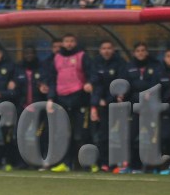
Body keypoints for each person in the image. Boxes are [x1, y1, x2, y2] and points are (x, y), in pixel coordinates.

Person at [45, 33, 93, 172]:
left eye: (72, 41)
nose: (69, 44)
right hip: (62, 100)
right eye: (66, 41)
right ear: (63, 43)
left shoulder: (82, 56)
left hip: (79, 99)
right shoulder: (57, 58)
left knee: (81, 134)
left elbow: (92, 74)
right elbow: (52, 79)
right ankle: (65, 163)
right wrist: (50, 98)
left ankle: (84, 164)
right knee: (63, 134)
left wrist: (89, 83)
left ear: (75, 42)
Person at [121, 41, 163, 173]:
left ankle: (154, 167)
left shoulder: (155, 66)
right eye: (138, 51)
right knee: (132, 137)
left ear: (147, 52)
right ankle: (133, 166)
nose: (140, 53)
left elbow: (158, 85)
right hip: (135, 108)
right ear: (134, 53)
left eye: (143, 50)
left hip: (151, 108)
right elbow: (125, 85)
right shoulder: (129, 67)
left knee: (152, 138)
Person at [89, 39, 126, 172]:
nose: (106, 51)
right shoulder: (96, 63)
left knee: (117, 134)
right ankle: (104, 163)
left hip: (117, 104)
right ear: (100, 50)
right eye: (104, 48)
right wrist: (96, 102)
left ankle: (117, 163)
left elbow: (120, 83)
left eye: (109, 48)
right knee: (103, 135)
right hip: (102, 104)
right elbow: (95, 84)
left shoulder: (120, 62)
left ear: (113, 49)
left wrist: (110, 99)